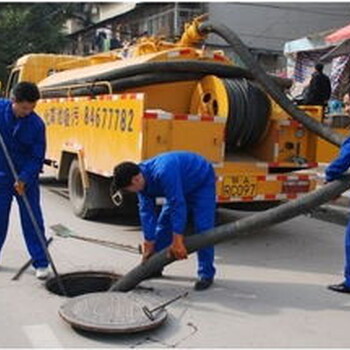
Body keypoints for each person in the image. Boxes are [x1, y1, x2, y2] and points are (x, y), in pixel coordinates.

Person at [111, 151, 217, 291]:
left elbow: (177, 204)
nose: (131, 192)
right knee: (163, 226)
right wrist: (149, 243)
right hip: (179, 186)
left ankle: (206, 274)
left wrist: (177, 239)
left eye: (129, 189)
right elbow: (146, 212)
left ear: (136, 180)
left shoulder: (164, 171)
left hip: (201, 180)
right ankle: (156, 266)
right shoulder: (141, 182)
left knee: (203, 228)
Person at [0, 82, 49, 279]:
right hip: (1, 176)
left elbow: (37, 157)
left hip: (26, 179)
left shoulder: (36, 125)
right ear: (13, 101)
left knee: (32, 219)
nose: (28, 112)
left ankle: (41, 262)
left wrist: (24, 178)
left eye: (32, 108)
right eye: (24, 108)